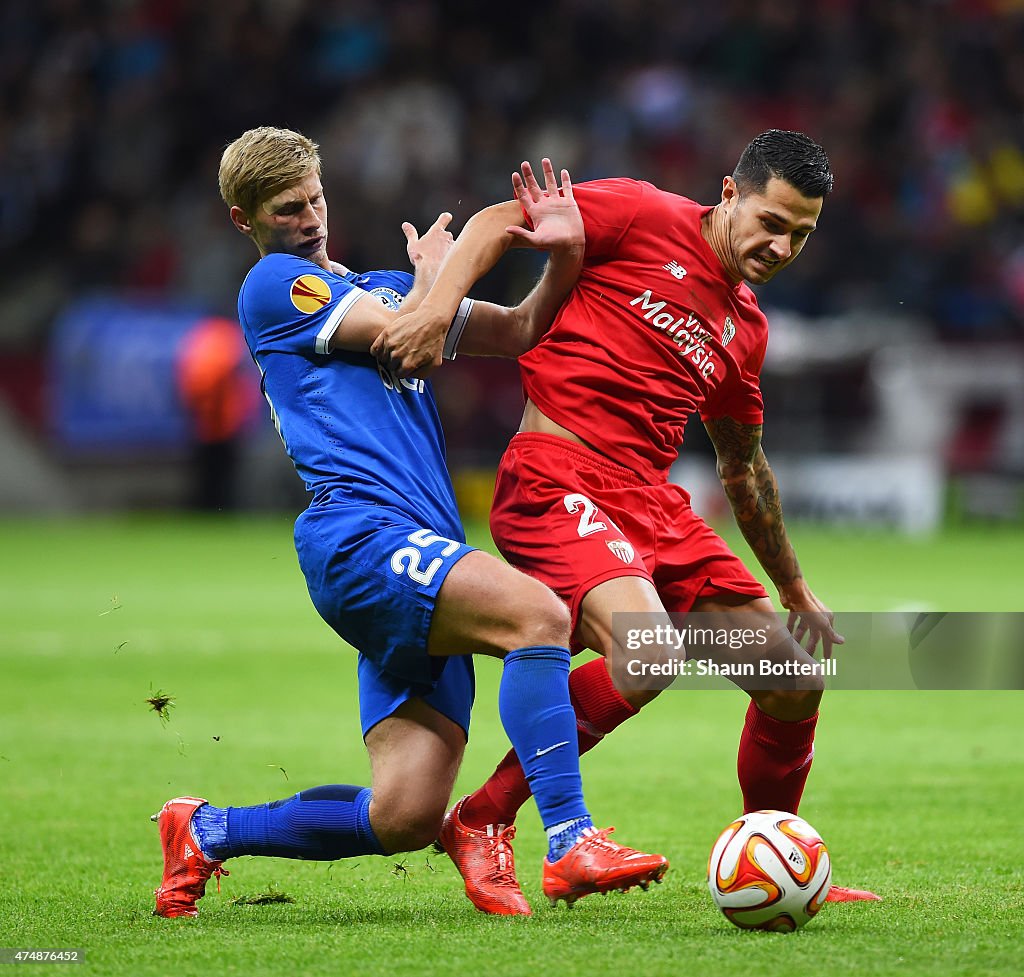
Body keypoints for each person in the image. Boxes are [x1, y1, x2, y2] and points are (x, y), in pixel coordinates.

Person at [151, 127, 667, 919]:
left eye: (316, 197)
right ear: (242, 219)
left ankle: (208, 830)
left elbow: (524, 328)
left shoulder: (389, 284)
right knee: (539, 615)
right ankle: (570, 838)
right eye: (288, 208)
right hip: (362, 538)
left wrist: (561, 255)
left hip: (421, 550)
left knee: (404, 813)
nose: (310, 218)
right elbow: (405, 339)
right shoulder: (275, 287)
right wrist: (441, 280)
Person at [373, 130, 881, 913]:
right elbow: (494, 220)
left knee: (791, 678)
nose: (781, 246)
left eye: (801, 235)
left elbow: (743, 466)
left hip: (652, 503)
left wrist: (794, 585)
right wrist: (436, 311)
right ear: (729, 193)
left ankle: (772, 850)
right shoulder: (643, 214)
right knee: (648, 652)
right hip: (557, 477)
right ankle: (482, 819)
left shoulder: (745, 329)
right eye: (772, 222)